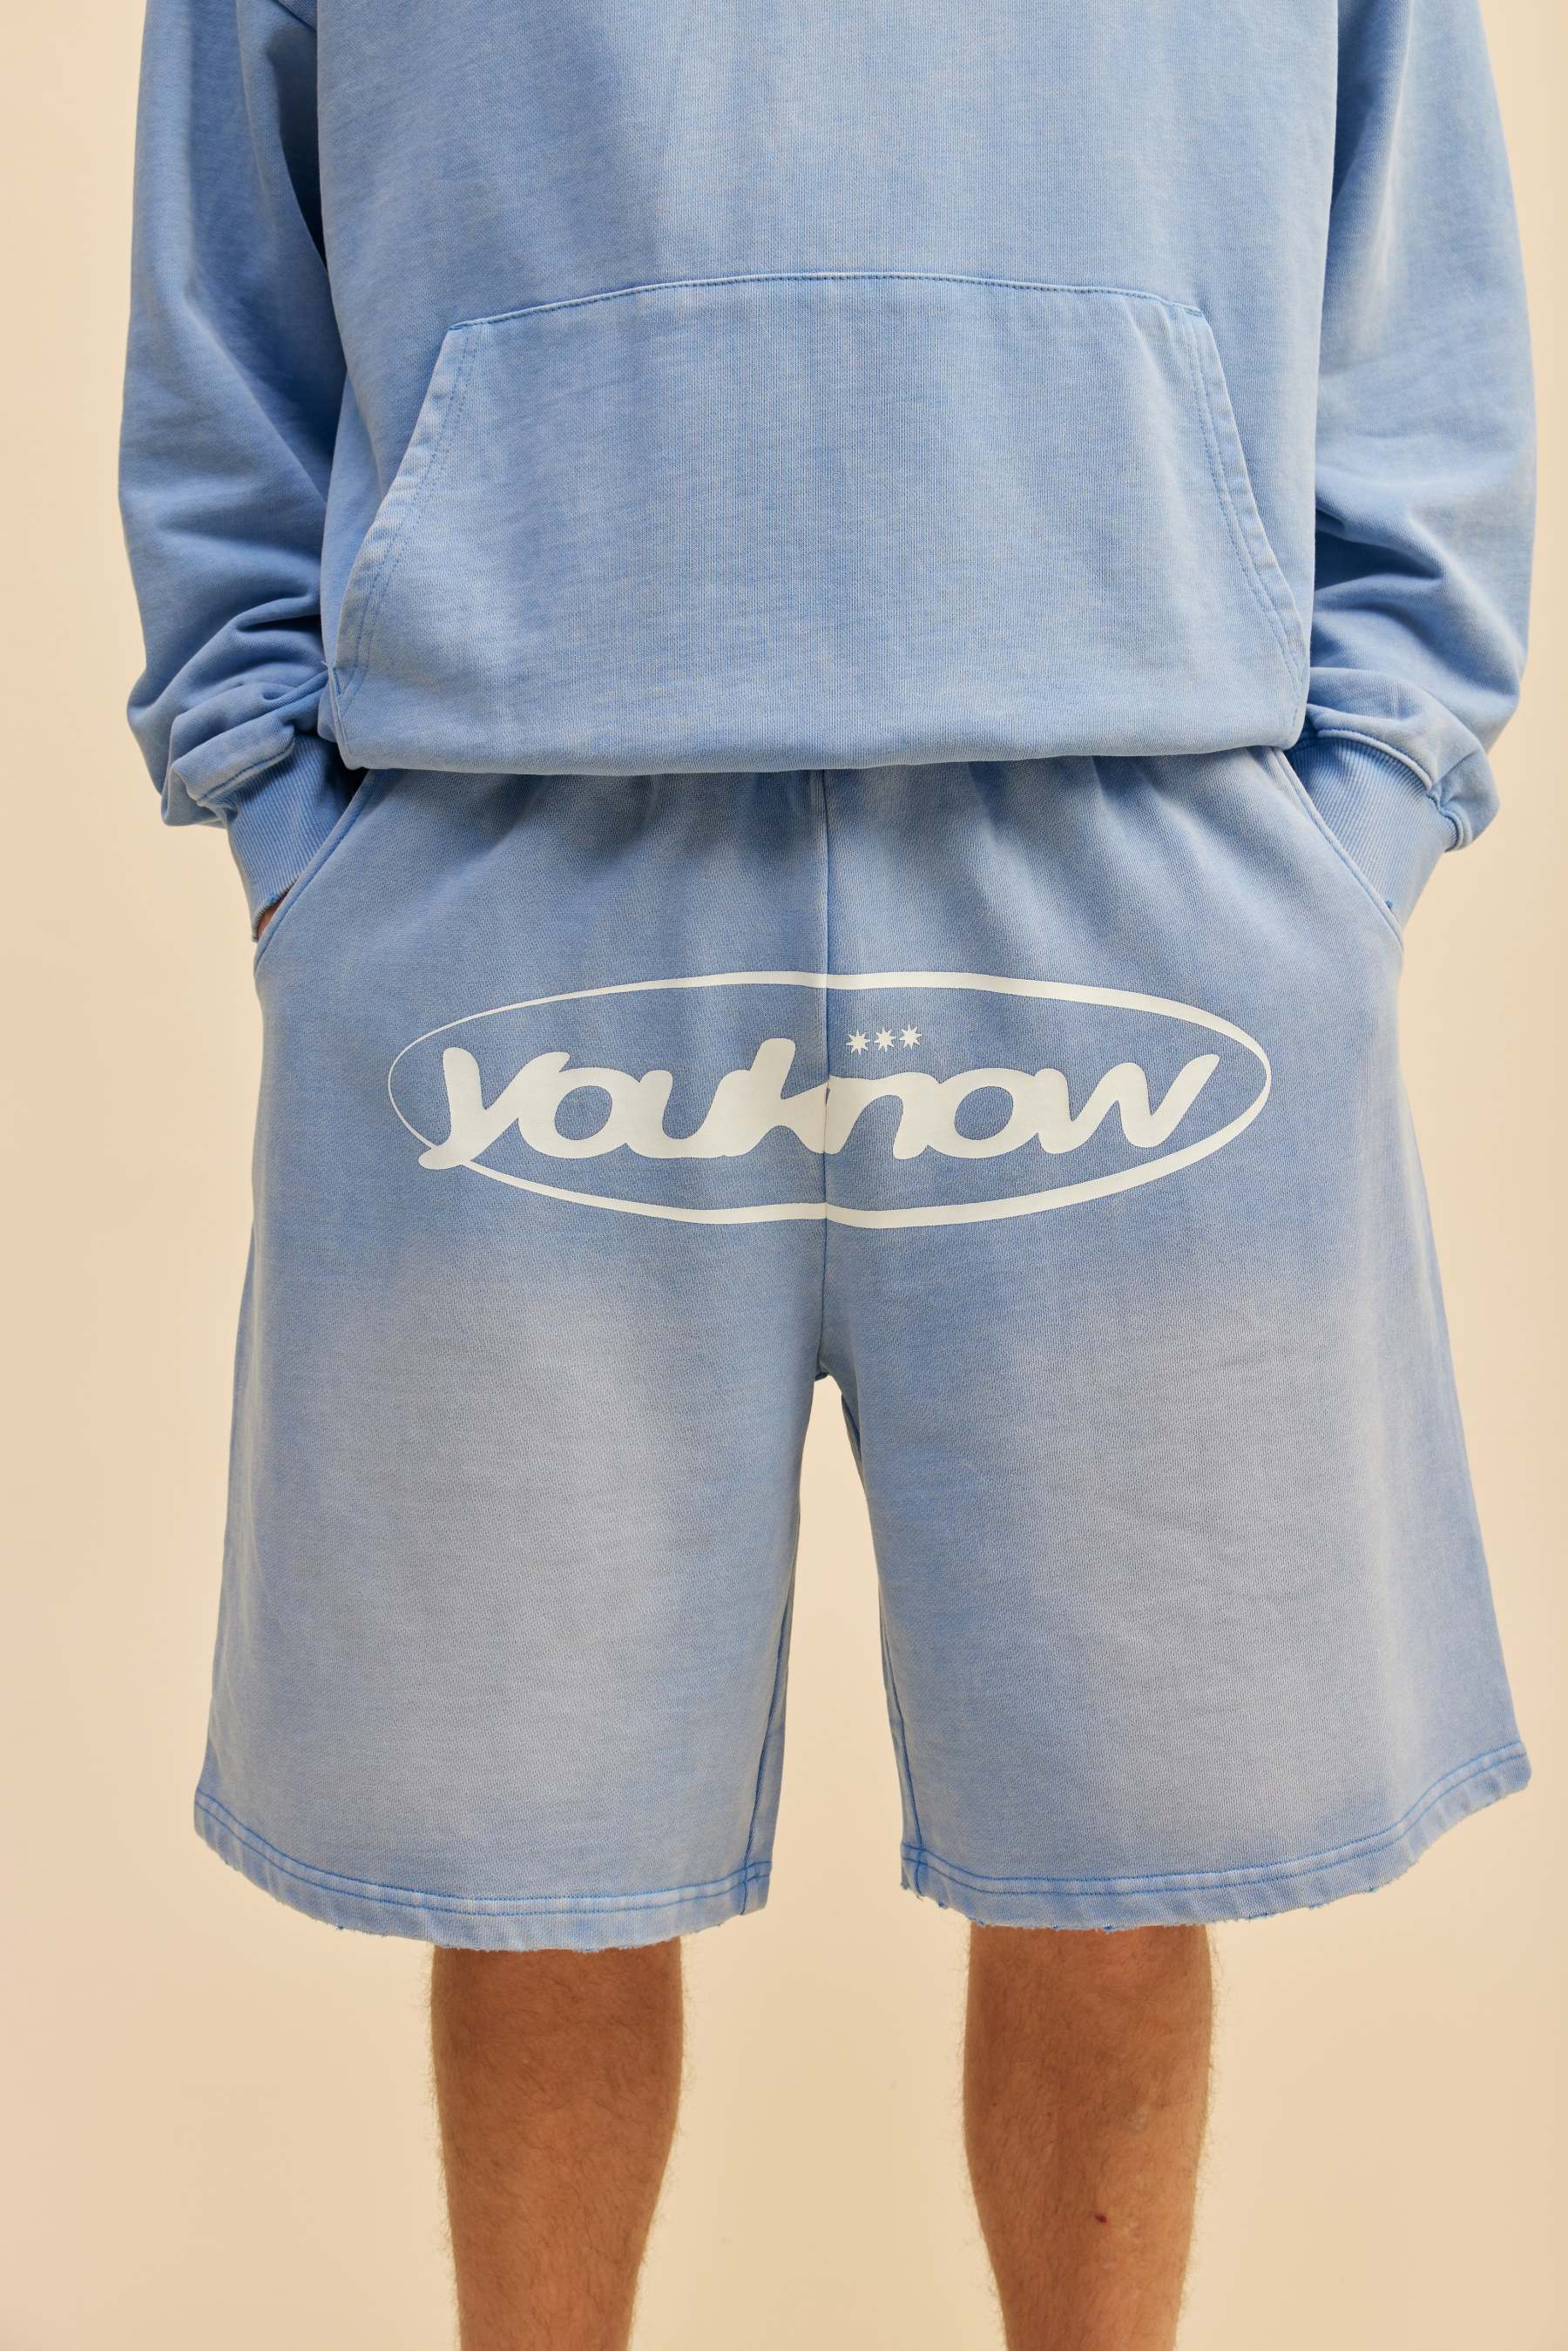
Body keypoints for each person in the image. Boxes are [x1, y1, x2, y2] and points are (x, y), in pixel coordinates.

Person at [118, 2, 1535, 2343]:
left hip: (1140, 830)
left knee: (1126, 1841)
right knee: (526, 1858)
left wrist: (1358, 809)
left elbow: (1417, 262)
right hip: (504, 836)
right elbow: (224, 272)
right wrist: (286, 815)